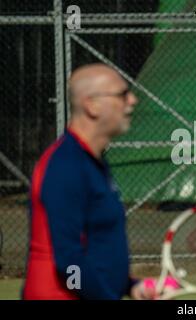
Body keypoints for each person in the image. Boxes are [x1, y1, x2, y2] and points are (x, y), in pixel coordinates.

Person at [23, 63, 152, 300]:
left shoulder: (93, 161)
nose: (132, 100)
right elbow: (69, 263)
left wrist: (131, 286)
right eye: (122, 94)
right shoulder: (66, 166)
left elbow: (97, 247)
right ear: (92, 105)